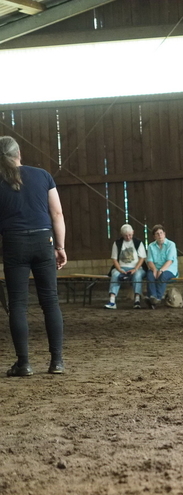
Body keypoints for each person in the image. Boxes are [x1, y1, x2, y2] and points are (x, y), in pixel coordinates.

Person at [0, 136, 66, 376]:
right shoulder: (42, 175)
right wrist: (60, 246)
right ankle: (57, 361)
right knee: (50, 301)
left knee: (18, 304)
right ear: (19, 153)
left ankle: (24, 363)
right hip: (43, 240)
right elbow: (56, 213)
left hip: (14, 243)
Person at [105, 224, 147, 309]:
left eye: (130, 235)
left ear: (133, 233)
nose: (128, 237)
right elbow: (114, 259)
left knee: (137, 275)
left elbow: (142, 258)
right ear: (122, 235)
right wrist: (119, 269)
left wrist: (135, 269)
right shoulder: (117, 243)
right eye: (126, 236)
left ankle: (137, 300)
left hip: (137, 267)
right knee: (115, 274)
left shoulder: (138, 243)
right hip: (121, 267)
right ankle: (112, 300)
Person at [145, 224, 178, 309]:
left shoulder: (171, 244)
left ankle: (157, 298)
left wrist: (161, 270)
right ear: (154, 236)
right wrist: (155, 270)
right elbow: (149, 261)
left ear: (164, 234)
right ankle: (153, 297)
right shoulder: (151, 246)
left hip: (170, 269)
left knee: (162, 276)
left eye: (161, 233)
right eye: (157, 234)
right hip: (155, 268)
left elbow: (170, 260)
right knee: (149, 275)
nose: (160, 235)